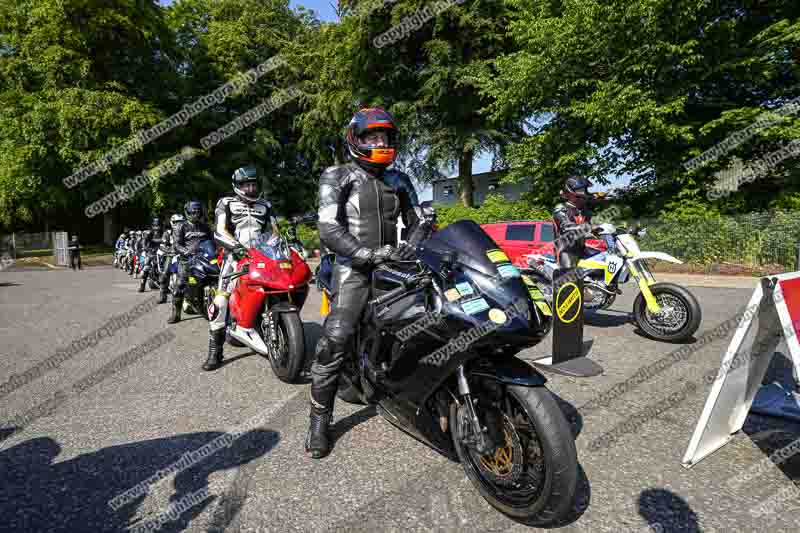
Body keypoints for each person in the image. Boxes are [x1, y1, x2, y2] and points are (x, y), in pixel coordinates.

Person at [305, 107, 429, 459]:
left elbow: (417, 221)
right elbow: (328, 227)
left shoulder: (400, 180)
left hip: (394, 263)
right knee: (336, 337)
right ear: (356, 140)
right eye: (372, 137)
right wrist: (364, 254)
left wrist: (414, 243)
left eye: (385, 137)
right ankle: (319, 420)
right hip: (353, 267)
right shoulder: (337, 175)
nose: (380, 143)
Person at [206, 165, 279, 371]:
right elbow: (219, 232)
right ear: (237, 186)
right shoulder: (225, 203)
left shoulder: (266, 205)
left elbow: (275, 232)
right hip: (234, 258)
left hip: (263, 256)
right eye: (246, 185)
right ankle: (215, 352)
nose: (250, 189)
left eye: (253, 184)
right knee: (220, 302)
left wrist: (283, 244)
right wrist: (236, 248)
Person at [551, 176, 609, 269]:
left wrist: (601, 230)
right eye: (582, 190)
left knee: (605, 261)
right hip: (566, 251)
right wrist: (589, 227)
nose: (585, 194)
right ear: (572, 193)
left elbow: (592, 224)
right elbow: (566, 227)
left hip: (582, 248)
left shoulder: (583, 210)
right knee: (570, 280)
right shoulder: (561, 208)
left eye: (585, 190)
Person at [170, 201, 213, 324]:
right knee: (179, 286)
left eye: (198, 212)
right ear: (187, 212)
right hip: (187, 260)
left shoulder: (205, 226)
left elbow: (213, 241)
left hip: (204, 259)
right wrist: (186, 252)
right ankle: (175, 314)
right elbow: (176, 245)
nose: (196, 214)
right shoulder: (181, 227)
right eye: (193, 212)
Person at [158, 214, 185, 304]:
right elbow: (162, 245)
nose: (178, 224)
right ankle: (163, 296)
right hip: (171, 255)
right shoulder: (167, 233)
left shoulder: (186, 232)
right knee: (164, 274)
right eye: (176, 222)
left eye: (181, 222)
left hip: (184, 255)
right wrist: (169, 251)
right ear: (172, 223)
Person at [138, 218, 163, 293]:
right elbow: (144, 242)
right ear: (152, 226)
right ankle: (142, 286)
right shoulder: (149, 234)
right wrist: (145, 248)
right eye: (155, 226)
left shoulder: (164, 233)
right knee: (146, 267)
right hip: (152, 252)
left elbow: (169, 241)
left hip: (162, 252)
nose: (157, 227)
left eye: (158, 225)